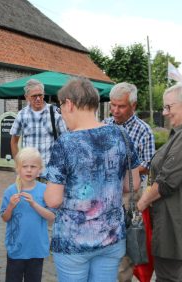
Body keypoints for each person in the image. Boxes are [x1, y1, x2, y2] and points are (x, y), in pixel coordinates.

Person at [44, 78, 140, 282]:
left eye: (61, 106)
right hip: (111, 238)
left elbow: (53, 200)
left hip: (74, 242)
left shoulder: (65, 143)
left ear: (69, 104)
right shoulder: (121, 135)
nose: (61, 114)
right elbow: (133, 184)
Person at [137, 82, 182, 282]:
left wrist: (140, 205)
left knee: (168, 276)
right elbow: (158, 169)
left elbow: (166, 181)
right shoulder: (181, 133)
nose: (165, 112)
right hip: (169, 218)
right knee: (179, 274)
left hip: (174, 221)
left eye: (169, 107)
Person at [103, 82, 155, 281]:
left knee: (125, 247)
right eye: (113, 105)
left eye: (121, 106)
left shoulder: (144, 131)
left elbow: (148, 164)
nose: (115, 110)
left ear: (133, 106)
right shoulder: (105, 125)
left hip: (129, 196)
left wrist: (121, 169)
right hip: (105, 194)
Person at [0, 147, 54, 282]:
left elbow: (52, 217)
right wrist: (11, 206)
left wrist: (34, 204)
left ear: (40, 169)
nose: (29, 170)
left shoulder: (44, 190)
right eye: (25, 166)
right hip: (16, 248)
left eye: (33, 166)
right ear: (18, 169)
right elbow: (5, 218)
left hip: (36, 249)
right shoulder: (10, 191)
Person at [10, 79, 66, 178]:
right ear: (26, 97)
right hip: (29, 171)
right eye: (34, 96)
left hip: (50, 171)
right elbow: (14, 142)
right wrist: (18, 164)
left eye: (40, 95)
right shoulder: (22, 115)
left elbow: (65, 140)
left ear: (44, 94)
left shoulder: (55, 112)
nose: (38, 99)